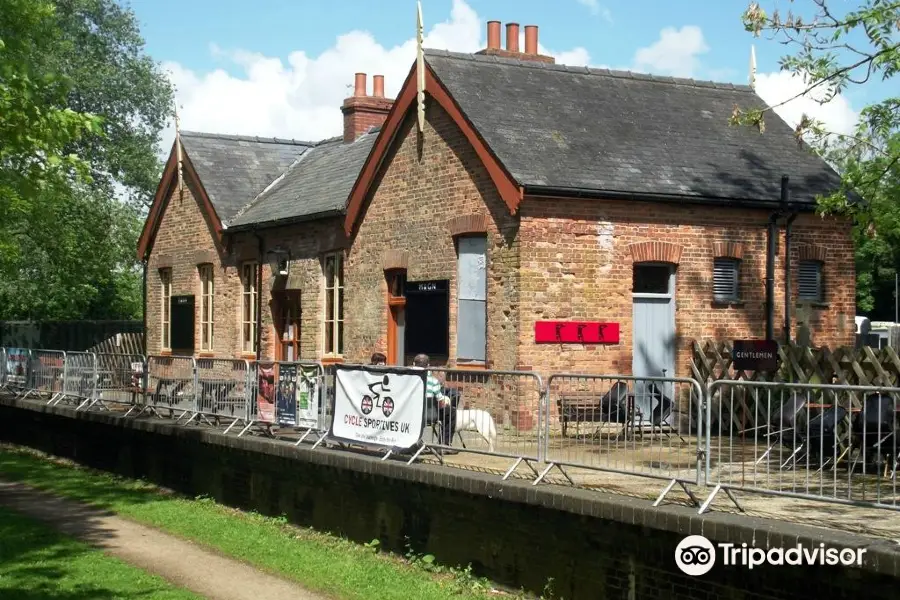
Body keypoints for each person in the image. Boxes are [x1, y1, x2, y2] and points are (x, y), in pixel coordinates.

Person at [412, 353, 457, 454]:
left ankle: (411, 443)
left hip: (412, 414)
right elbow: (440, 400)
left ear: (413, 364)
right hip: (430, 415)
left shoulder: (409, 380)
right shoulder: (433, 381)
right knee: (451, 412)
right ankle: (444, 445)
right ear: (428, 366)